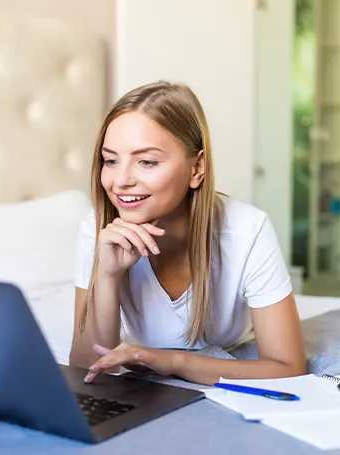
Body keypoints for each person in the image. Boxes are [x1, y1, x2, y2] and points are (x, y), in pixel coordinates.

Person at [69, 81, 306, 386]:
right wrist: (107, 275)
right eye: (110, 160)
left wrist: (169, 361)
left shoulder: (247, 230)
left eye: (146, 162)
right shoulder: (98, 228)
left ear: (197, 168)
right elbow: (89, 366)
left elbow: (288, 367)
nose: (120, 181)